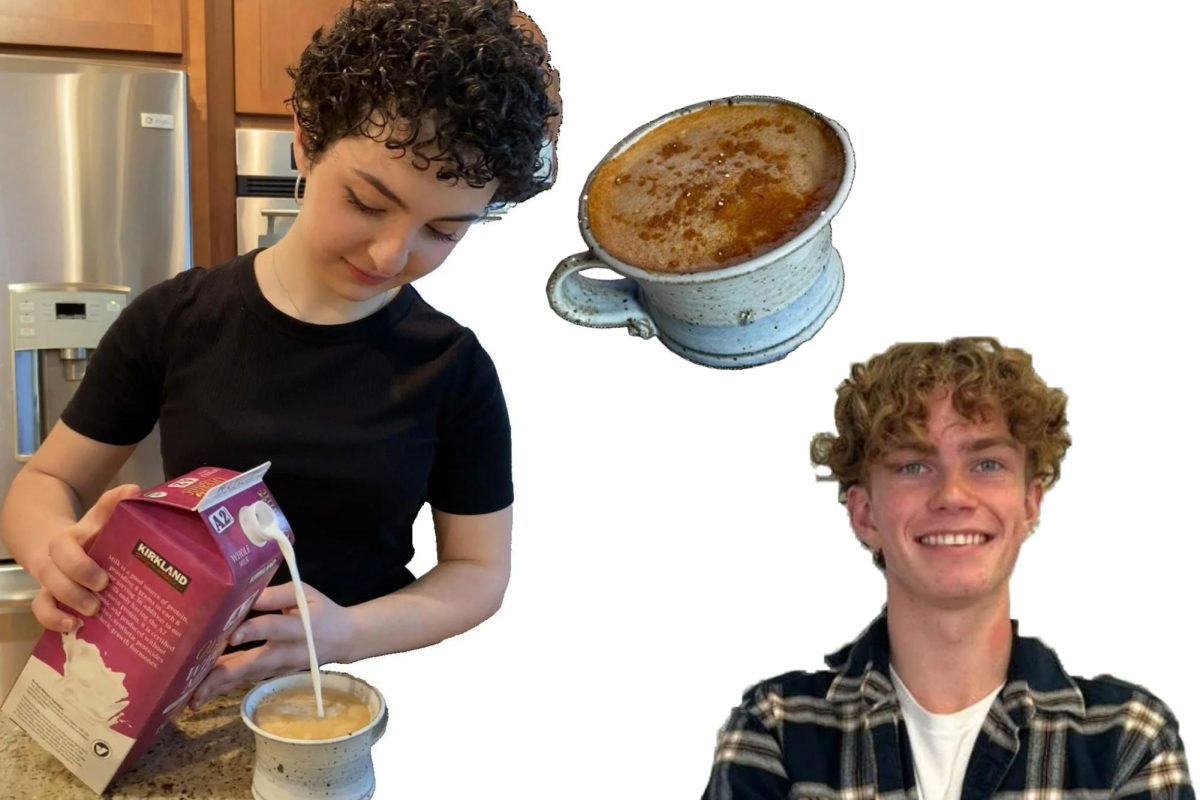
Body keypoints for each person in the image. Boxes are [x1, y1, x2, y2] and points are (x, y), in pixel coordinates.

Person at [0, 0, 560, 709]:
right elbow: (44, 482)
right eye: (365, 200)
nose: (392, 254)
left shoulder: (455, 369)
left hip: (355, 691)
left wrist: (345, 633)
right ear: (304, 140)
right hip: (184, 690)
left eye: (444, 231)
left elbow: (478, 572)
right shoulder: (177, 319)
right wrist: (56, 551)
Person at [702, 338, 1192, 799]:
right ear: (865, 513)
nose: (953, 495)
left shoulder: (1127, 739)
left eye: (987, 464)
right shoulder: (777, 730)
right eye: (914, 466)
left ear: (1029, 504)